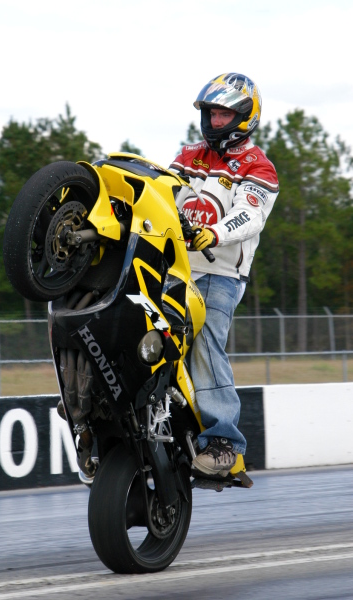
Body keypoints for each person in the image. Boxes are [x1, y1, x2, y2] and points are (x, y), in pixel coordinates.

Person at [169, 72, 279, 476]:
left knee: (204, 342)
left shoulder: (258, 166)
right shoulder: (187, 154)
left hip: (219, 276)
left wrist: (210, 233)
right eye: (212, 113)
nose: (215, 121)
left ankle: (223, 441)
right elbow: (162, 191)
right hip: (174, 266)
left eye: (223, 114)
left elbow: (248, 217)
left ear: (244, 117)